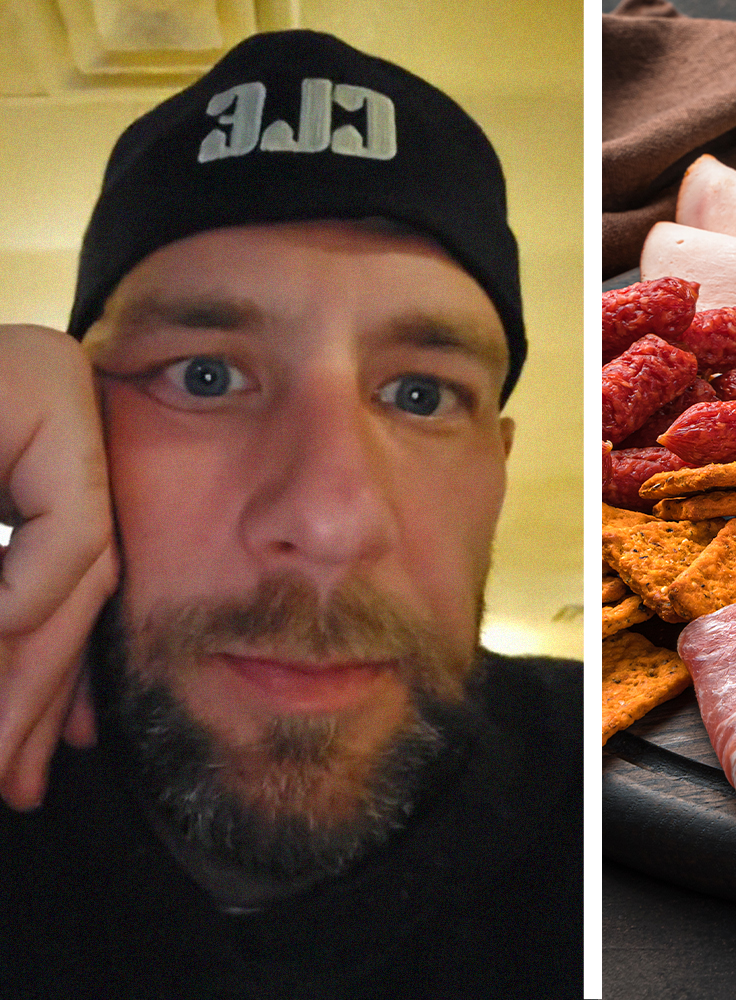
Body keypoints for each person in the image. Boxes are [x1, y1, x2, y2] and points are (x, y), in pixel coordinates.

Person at [0, 31, 582, 996]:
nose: (329, 520)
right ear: (76, 436)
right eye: (205, 376)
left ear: (500, 470)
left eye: (422, 394)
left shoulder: (597, 798)